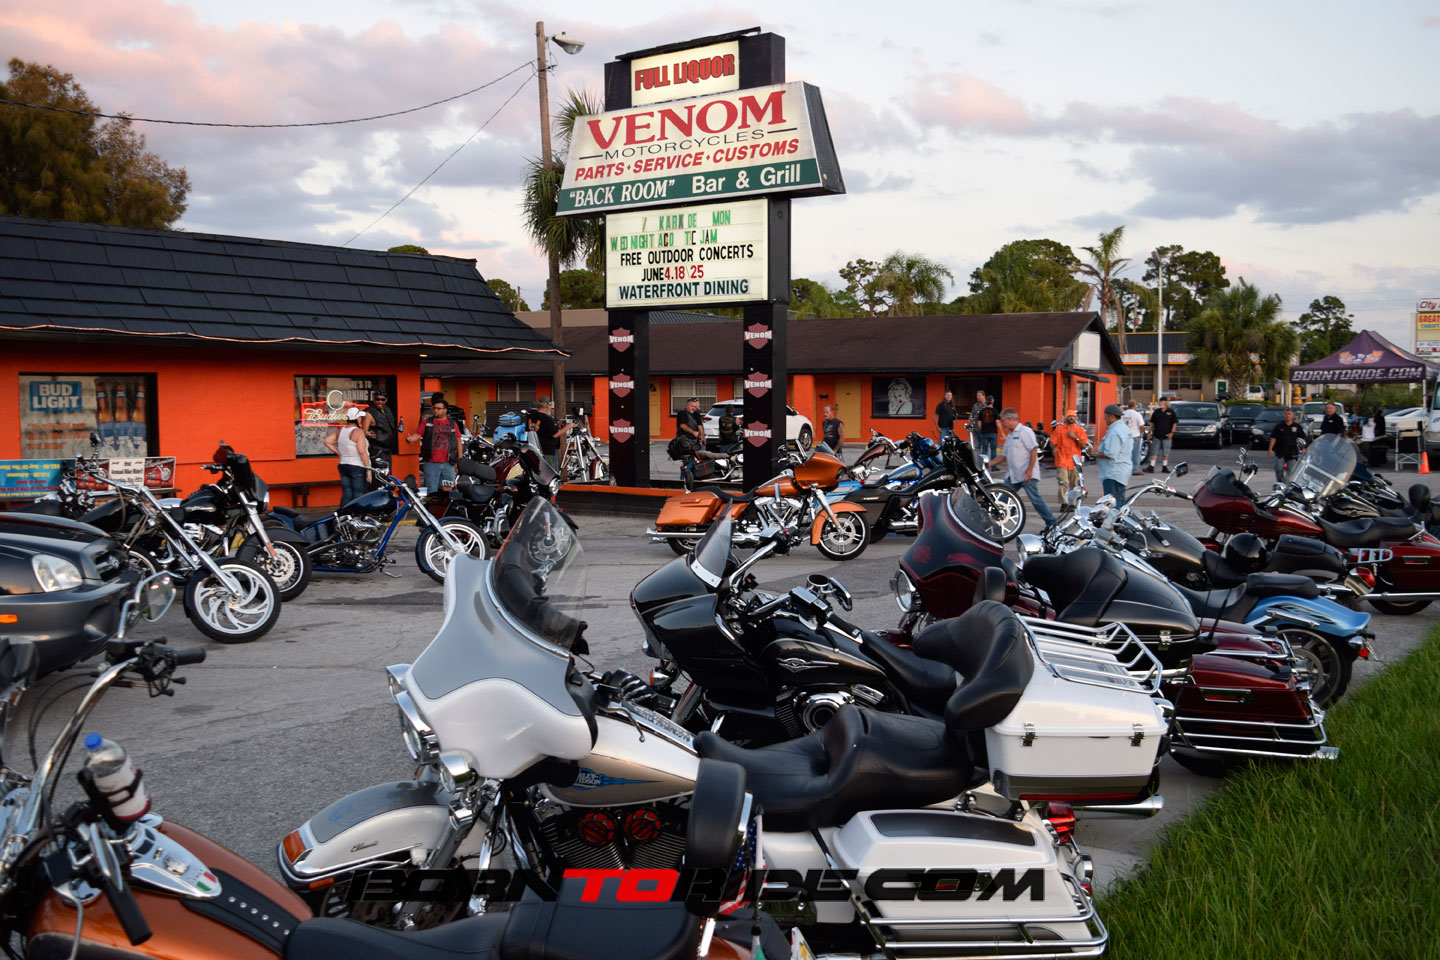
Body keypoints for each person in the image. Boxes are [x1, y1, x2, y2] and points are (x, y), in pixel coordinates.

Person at [989, 407, 1056, 531]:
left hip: (1026, 475)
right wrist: (987, 464)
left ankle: (1051, 523)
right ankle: (991, 524)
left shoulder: (1025, 431)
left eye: (1003, 421)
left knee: (1035, 500)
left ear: (1010, 419)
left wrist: (1029, 470)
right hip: (1013, 475)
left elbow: (1033, 450)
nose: (1002, 424)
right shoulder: (1010, 435)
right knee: (1002, 500)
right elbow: (1003, 456)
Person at [407, 398, 462, 492]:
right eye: (434, 408)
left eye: (438, 408)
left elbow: (458, 440)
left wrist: (460, 459)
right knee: (431, 491)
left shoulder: (452, 423)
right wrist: (411, 439)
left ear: (445, 410)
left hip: (449, 463)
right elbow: (418, 434)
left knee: (449, 491)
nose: (435, 410)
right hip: (431, 462)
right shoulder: (427, 422)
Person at [324, 407, 372, 505]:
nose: (361, 419)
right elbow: (362, 451)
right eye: (360, 417)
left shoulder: (341, 430)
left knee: (347, 494)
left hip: (343, 464)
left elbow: (327, 441)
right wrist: (369, 469)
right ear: (357, 419)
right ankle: (356, 514)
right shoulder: (358, 432)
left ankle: (342, 513)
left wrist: (339, 453)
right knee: (358, 495)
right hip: (358, 466)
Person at [1049, 410, 1088, 505]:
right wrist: (1054, 448)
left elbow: (1083, 445)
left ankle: (1072, 503)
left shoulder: (1079, 430)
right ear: (1066, 418)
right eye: (1069, 416)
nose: (1071, 418)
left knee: (1074, 484)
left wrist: (1075, 438)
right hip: (1062, 459)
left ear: (1076, 418)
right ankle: (1064, 503)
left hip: (1074, 461)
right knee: (1063, 482)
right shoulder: (1059, 429)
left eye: (1073, 416)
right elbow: (1052, 442)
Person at [1096, 404, 1133, 502]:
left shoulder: (1115, 431)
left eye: (1105, 417)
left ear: (1111, 416)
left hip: (1113, 472)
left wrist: (1096, 453)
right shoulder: (1123, 428)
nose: (1104, 419)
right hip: (1120, 471)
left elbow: (1111, 453)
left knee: (1113, 504)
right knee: (1119, 501)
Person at [530, 397, 571, 472]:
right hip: (547, 451)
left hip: (534, 449)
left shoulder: (531, 417)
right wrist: (568, 426)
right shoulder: (547, 419)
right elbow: (555, 434)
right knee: (551, 473)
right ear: (547, 406)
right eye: (550, 406)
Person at [1268, 407, 1307, 483]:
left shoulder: (1297, 426)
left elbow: (1302, 438)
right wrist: (1270, 449)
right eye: (1286, 414)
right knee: (1278, 468)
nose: (1287, 416)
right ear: (1283, 415)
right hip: (1280, 451)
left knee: (1291, 470)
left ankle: (1285, 483)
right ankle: (1279, 483)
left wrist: (1303, 448)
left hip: (1292, 452)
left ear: (1293, 416)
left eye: (1289, 414)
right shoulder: (1279, 426)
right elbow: (1273, 438)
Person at [1145, 396, 1177, 473]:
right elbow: (1152, 422)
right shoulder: (1157, 411)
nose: (1161, 403)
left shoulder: (1171, 412)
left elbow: (1174, 423)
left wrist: (1172, 432)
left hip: (1167, 435)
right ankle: (1151, 466)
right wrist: (1149, 432)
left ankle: (1164, 467)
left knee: (1166, 452)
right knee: (1154, 451)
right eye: (1160, 402)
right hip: (1157, 434)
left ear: (1166, 402)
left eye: (1163, 402)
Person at [366, 389, 397, 461]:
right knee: (379, 468)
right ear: (374, 399)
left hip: (388, 449)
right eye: (377, 399)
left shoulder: (387, 410)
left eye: (382, 399)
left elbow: (389, 426)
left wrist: (396, 428)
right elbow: (364, 431)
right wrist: (367, 434)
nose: (380, 401)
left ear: (386, 400)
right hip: (377, 449)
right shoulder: (369, 413)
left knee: (387, 468)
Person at [1123, 401, 1146, 476]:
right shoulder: (1137, 414)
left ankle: (1125, 469)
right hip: (1135, 435)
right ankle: (1135, 470)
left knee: (1125, 453)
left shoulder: (1123, 414)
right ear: (1135, 406)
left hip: (1124, 435)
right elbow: (1141, 426)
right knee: (1136, 453)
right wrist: (1141, 432)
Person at [977, 396, 999, 461]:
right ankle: (993, 465)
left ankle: (984, 464)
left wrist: (981, 430)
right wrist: (1001, 432)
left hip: (984, 432)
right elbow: (997, 422)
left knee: (984, 450)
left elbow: (979, 423)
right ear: (992, 402)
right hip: (993, 432)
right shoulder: (995, 411)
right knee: (993, 450)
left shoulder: (982, 411)